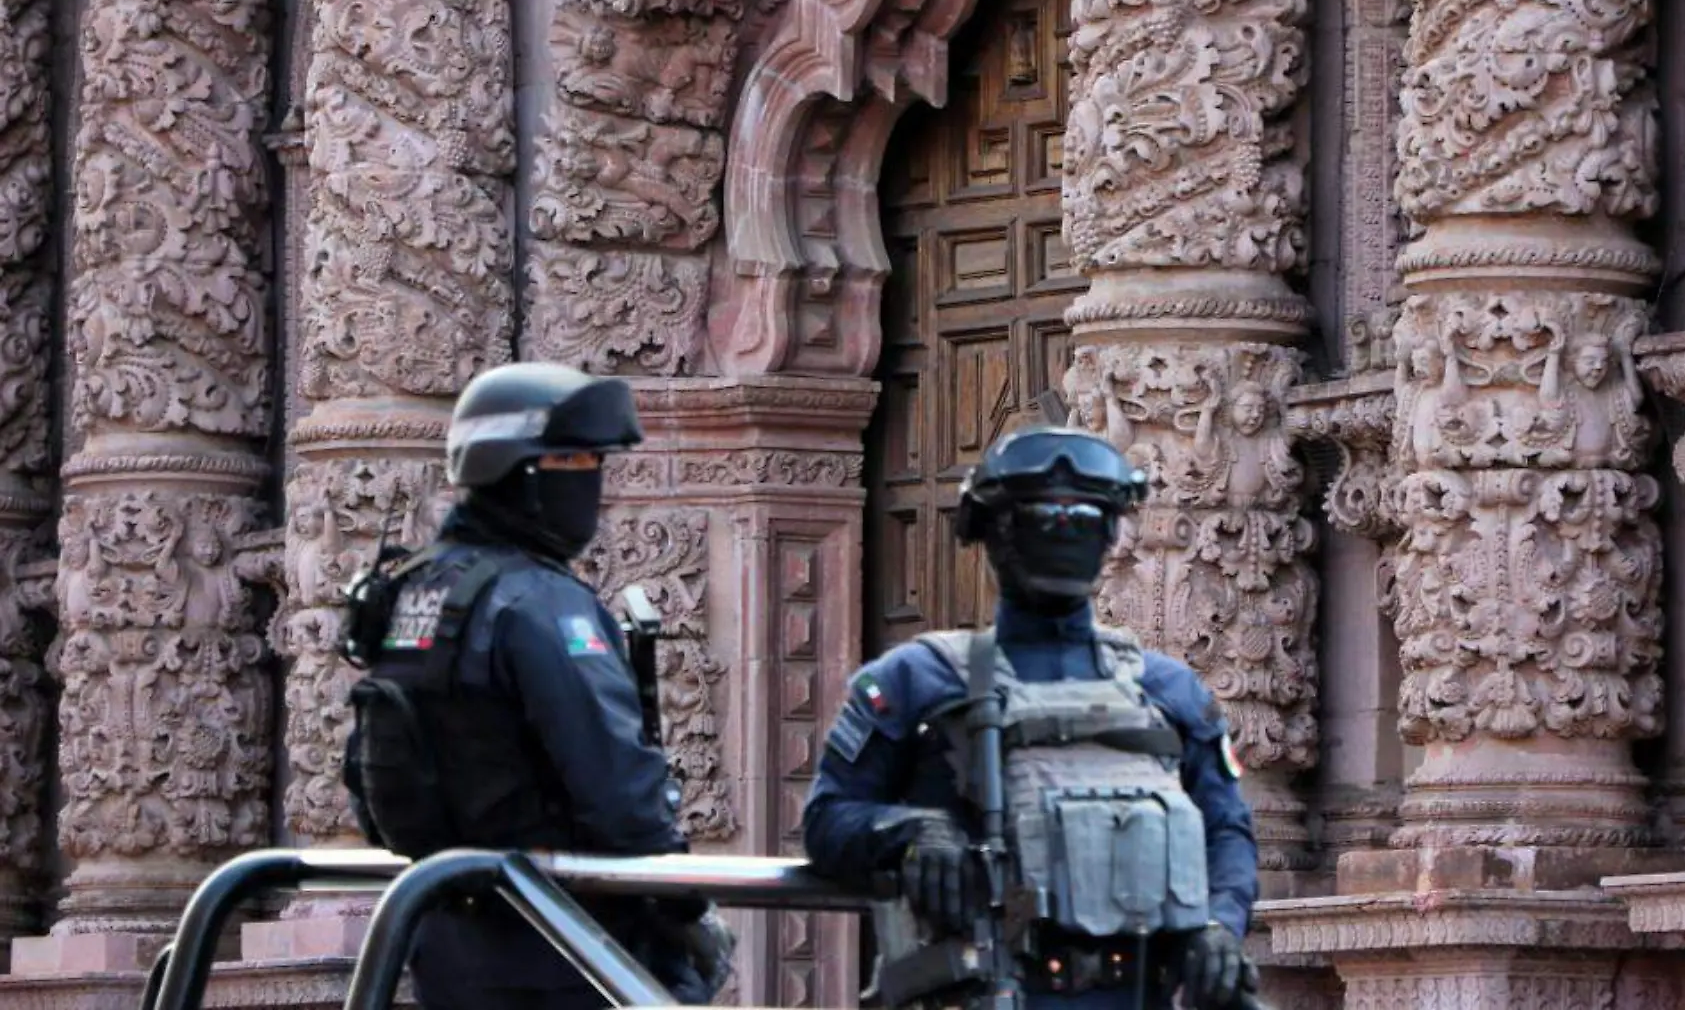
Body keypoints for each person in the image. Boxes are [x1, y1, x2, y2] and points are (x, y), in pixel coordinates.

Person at [802, 425, 1261, 1010]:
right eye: (1045, 513)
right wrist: (910, 833)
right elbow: (827, 819)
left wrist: (1220, 925)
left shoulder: (1168, 692)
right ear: (995, 533)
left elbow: (1227, 833)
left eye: (1081, 513)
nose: (1064, 525)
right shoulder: (917, 680)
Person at [340, 361, 731, 1010]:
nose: (596, 484)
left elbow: (368, 774)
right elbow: (618, 790)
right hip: (559, 937)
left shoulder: (411, 587)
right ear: (525, 471)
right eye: (581, 462)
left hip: (447, 930)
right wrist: (685, 906)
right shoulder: (539, 603)